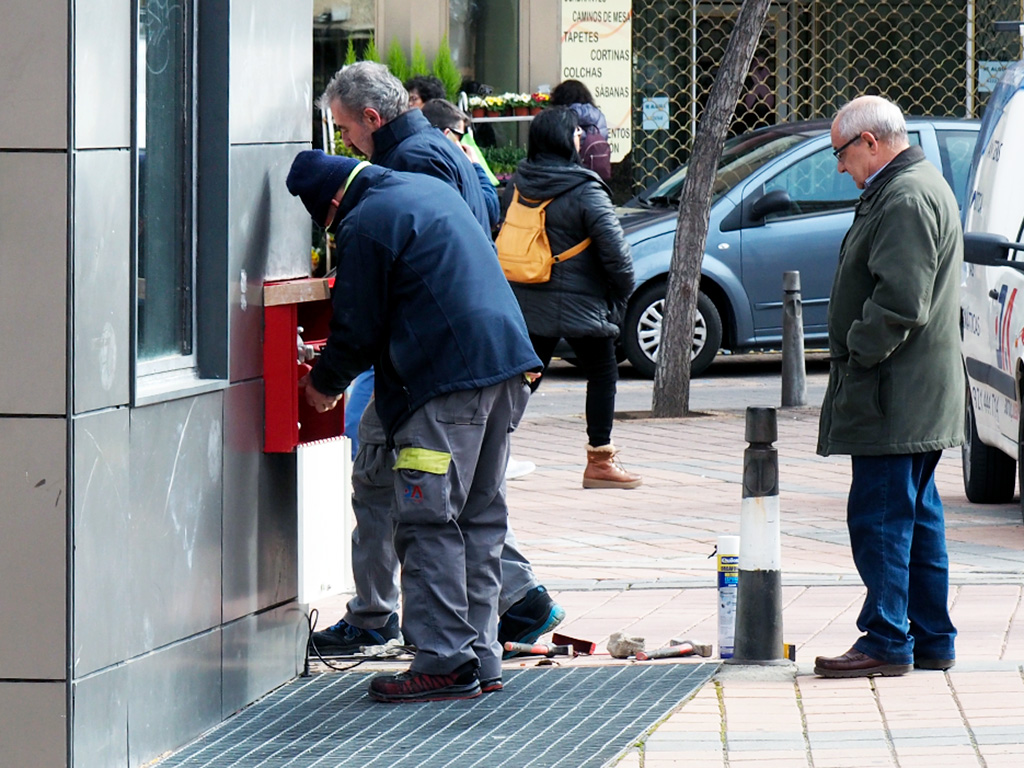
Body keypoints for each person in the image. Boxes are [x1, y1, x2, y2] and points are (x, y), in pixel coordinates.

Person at [313, 61, 563, 664]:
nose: (346, 143)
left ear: (371, 119)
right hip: (480, 360)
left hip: (436, 368)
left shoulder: (398, 179)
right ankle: (480, 647)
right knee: (469, 508)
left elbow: (371, 308)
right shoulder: (438, 145)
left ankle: (435, 646)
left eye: (346, 130)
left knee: (416, 504)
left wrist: (323, 382)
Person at [287, 151, 542, 701]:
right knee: (478, 517)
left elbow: (357, 324)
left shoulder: (366, 221)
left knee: (427, 521)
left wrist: (325, 383)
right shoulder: (420, 191)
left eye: (327, 222)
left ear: (332, 204)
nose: (333, 230)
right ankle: (481, 657)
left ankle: (444, 662)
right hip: (504, 372)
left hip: (443, 388)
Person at [813, 95, 964, 679]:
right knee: (916, 517)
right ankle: (931, 638)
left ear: (870, 143)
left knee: (879, 519)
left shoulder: (903, 196)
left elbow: (902, 300)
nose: (841, 167)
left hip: (894, 395)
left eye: (842, 154)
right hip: (912, 394)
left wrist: (855, 351)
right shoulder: (915, 185)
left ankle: (885, 639)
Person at [500, 106, 640, 489]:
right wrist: (620, 293)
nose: (581, 137)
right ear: (564, 139)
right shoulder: (584, 188)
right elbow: (617, 254)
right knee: (602, 372)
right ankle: (600, 461)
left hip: (526, 299)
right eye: (577, 132)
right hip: (581, 303)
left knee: (526, 375)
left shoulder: (518, 184)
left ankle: (488, 445)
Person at [549, 79, 611, 180]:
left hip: (568, 172)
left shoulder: (563, 116)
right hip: (595, 170)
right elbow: (603, 136)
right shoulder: (598, 114)